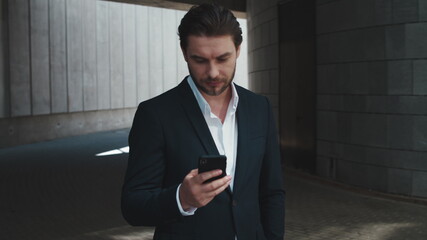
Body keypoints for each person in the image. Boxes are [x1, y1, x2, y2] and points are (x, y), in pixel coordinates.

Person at [121, 3, 285, 240]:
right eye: (200, 60)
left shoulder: (260, 108)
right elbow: (132, 206)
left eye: (223, 58)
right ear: (184, 52)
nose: (213, 73)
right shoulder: (155, 114)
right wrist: (181, 198)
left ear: (238, 50)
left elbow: (272, 192)